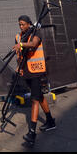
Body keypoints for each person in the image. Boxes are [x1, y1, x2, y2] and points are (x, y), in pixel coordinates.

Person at [13, 15, 56, 146]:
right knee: (39, 96)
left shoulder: (35, 33)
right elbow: (19, 54)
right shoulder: (19, 36)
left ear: (29, 24)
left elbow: (33, 44)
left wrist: (21, 44)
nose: (21, 27)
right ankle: (50, 121)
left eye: (23, 24)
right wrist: (19, 66)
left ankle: (32, 133)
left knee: (35, 100)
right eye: (19, 24)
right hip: (26, 71)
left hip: (37, 72)